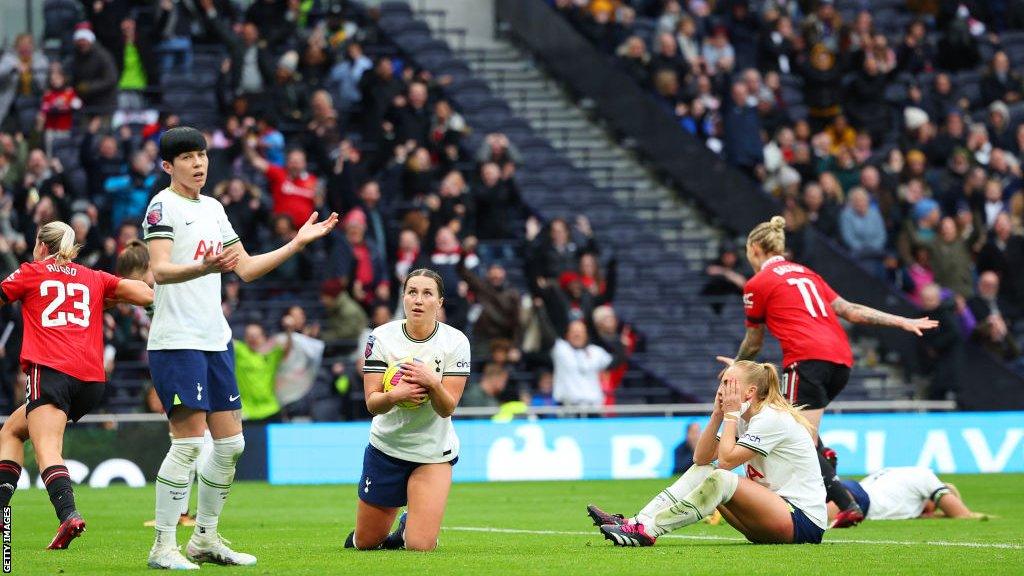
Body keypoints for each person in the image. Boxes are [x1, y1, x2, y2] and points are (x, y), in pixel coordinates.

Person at [142, 127, 337, 570]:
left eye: (203, 155)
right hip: (177, 341)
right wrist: (203, 266)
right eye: (188, 157)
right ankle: (162, 547)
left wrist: (296, 244)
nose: (199, 163)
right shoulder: (161, 206)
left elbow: (246, 269)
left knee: (230, 446)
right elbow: (159, 271)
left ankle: (205, 540)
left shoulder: (213, 208)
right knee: (188, 445)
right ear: (168, 166)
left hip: (215, 340)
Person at [722, 216, 938, 528]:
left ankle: (844, 501)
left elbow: (754, 343)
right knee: (798, 428)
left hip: (805, 360)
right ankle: (826, 458)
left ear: (755, 248)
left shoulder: (757, 284)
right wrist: (902, 321)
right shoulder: (807, 274)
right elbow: (851, 311)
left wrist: (736, 368)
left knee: (796, 434)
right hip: (840, 361)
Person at [0, 221, 153, 549]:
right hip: (91, 382)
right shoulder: (92, 276)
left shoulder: (32, 271)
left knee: (47, 448)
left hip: (52, 371)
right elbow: (143, 293)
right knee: (12, 430)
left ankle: (68, 514)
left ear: (42, 246)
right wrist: (107, 301)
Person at [590, 361, 826, 546]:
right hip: (771, 517)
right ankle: (635, 522)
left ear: (750, 391)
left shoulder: (771, 418)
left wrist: (731, 416)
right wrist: (717, 416)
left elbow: (725, 462)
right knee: (705, 471)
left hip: (801, 521)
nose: (721, 390)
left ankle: (648, 531)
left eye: (729, 384)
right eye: (722, 383)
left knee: (721, 477)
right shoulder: (746, 417)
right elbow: (701, 459)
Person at [344, 269, 470, 552]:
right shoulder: (381, 337)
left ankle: (406, 530)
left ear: (439, 302)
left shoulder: (456, 342)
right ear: (403, 297)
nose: (418, 300)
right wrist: (396, 395)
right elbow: (372, 403)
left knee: (420, 545)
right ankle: (375, 531)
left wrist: (431, 383)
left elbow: (447, 407)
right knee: (366, 543)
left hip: (432, 452)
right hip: (387, 447)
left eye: (427, 294)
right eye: (412, 292)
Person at [828, 467, 977, 522]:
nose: (932, 511)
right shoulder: (927, 478)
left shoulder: (902, 474)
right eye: (937, 507)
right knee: (818, 518)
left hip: (849, 488)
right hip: (859, 500)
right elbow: (961, 514)